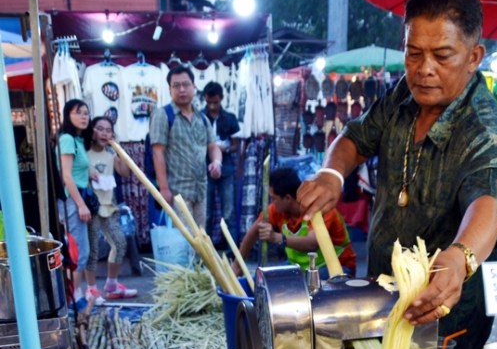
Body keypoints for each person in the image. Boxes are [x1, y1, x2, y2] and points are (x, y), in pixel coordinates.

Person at [297, 0, 497, 349]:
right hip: (379, 298)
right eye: (413, 54)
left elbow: (490, 203)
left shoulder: (484, 128)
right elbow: (355, 138)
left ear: (474, 56)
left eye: (442, 55)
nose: (424, 69)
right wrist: (331, 175)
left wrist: (459, 257)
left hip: (442, 316)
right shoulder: (403, 96)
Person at [236, 166, 357, 277]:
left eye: (273, 198)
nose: (272, 203)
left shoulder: (320, 207)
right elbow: (254, 231)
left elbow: (312, 244)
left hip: (338, 267)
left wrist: (277, 238)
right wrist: (238, 265)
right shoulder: (277, 209)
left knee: (295, 288)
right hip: (302, 267)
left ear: (287, 198)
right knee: (268, 282)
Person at [149, 63, 223, 228]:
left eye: (186, 84)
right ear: (170, 90)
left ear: (194, 87)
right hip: (178, 192)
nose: (182, 89)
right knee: (183, 242)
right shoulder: (163, 115)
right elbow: (158, 153)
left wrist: (217, 162)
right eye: (176, 86)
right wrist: (164, 188)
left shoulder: (202, 118)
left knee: (201, 238)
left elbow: (213, 146)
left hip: (201, 190)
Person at [85, 115, 137, 300]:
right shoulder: (84, 153)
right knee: (92, 249)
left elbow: (125, 171)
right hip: (92, 207)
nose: (104, 133)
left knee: (120, 243)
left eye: (108, 130)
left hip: (109, 206)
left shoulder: (111, 154)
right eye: (100, 128)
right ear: (92, 131)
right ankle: (91, 289)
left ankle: (112, 284)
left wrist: (119, 149)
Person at [56, 98, 103, 304]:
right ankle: (74, 297)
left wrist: (92, 172)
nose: (84, 117)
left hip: (79, 197)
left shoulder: (77, 140)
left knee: (82, 250)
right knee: (78, 252)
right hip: (73, 201)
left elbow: (78, 168)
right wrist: (80, 204)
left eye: (86, 113)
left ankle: (75, 294)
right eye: (79, 112)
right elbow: (66, 175)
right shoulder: (66, 138)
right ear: (68, 115)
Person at [203, 81, 240, 245]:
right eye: (209, 102)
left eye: (215, 102)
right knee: (206, 212)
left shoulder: (230, 118)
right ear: (205, 99)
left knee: (229, 211)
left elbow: (235, 146)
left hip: (226, 168)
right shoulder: (200, 118)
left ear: (222, 99)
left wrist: (223, 148)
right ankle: (207, 249)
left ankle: (231, 249)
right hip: (205, 168)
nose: (212, 106)